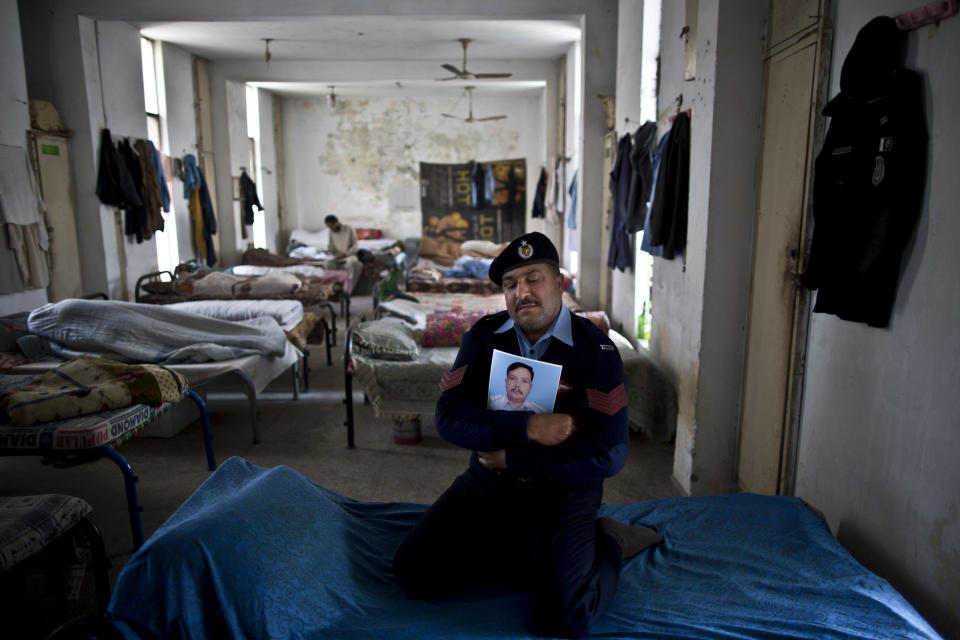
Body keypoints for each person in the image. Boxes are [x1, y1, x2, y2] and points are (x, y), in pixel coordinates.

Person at [393, 231, 663, 638]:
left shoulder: (596, 352)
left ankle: (610, 539)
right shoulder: (484, 339)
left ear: (559, 283)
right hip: (488, 486)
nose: (522, 292)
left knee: (567, 618)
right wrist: (528, 426)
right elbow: (448, 417)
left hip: (564, 493)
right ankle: (527, 551)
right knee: (414, 573)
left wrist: (517, 457)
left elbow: (609, 454)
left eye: (533, 278)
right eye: (510, 284)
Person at [323, 214, 362, 291]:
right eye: (329, 227)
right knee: (327, 263)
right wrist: (328, 251)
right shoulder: (331, 231)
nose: (331, 228)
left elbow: (355, 247)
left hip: (349, 255)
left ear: (336, 223)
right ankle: (335, 288)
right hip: (337, 256)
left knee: (352, 262)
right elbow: (331, 247)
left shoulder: (349, 229)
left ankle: (348, 289)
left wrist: (345, 254)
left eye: (331, 226)